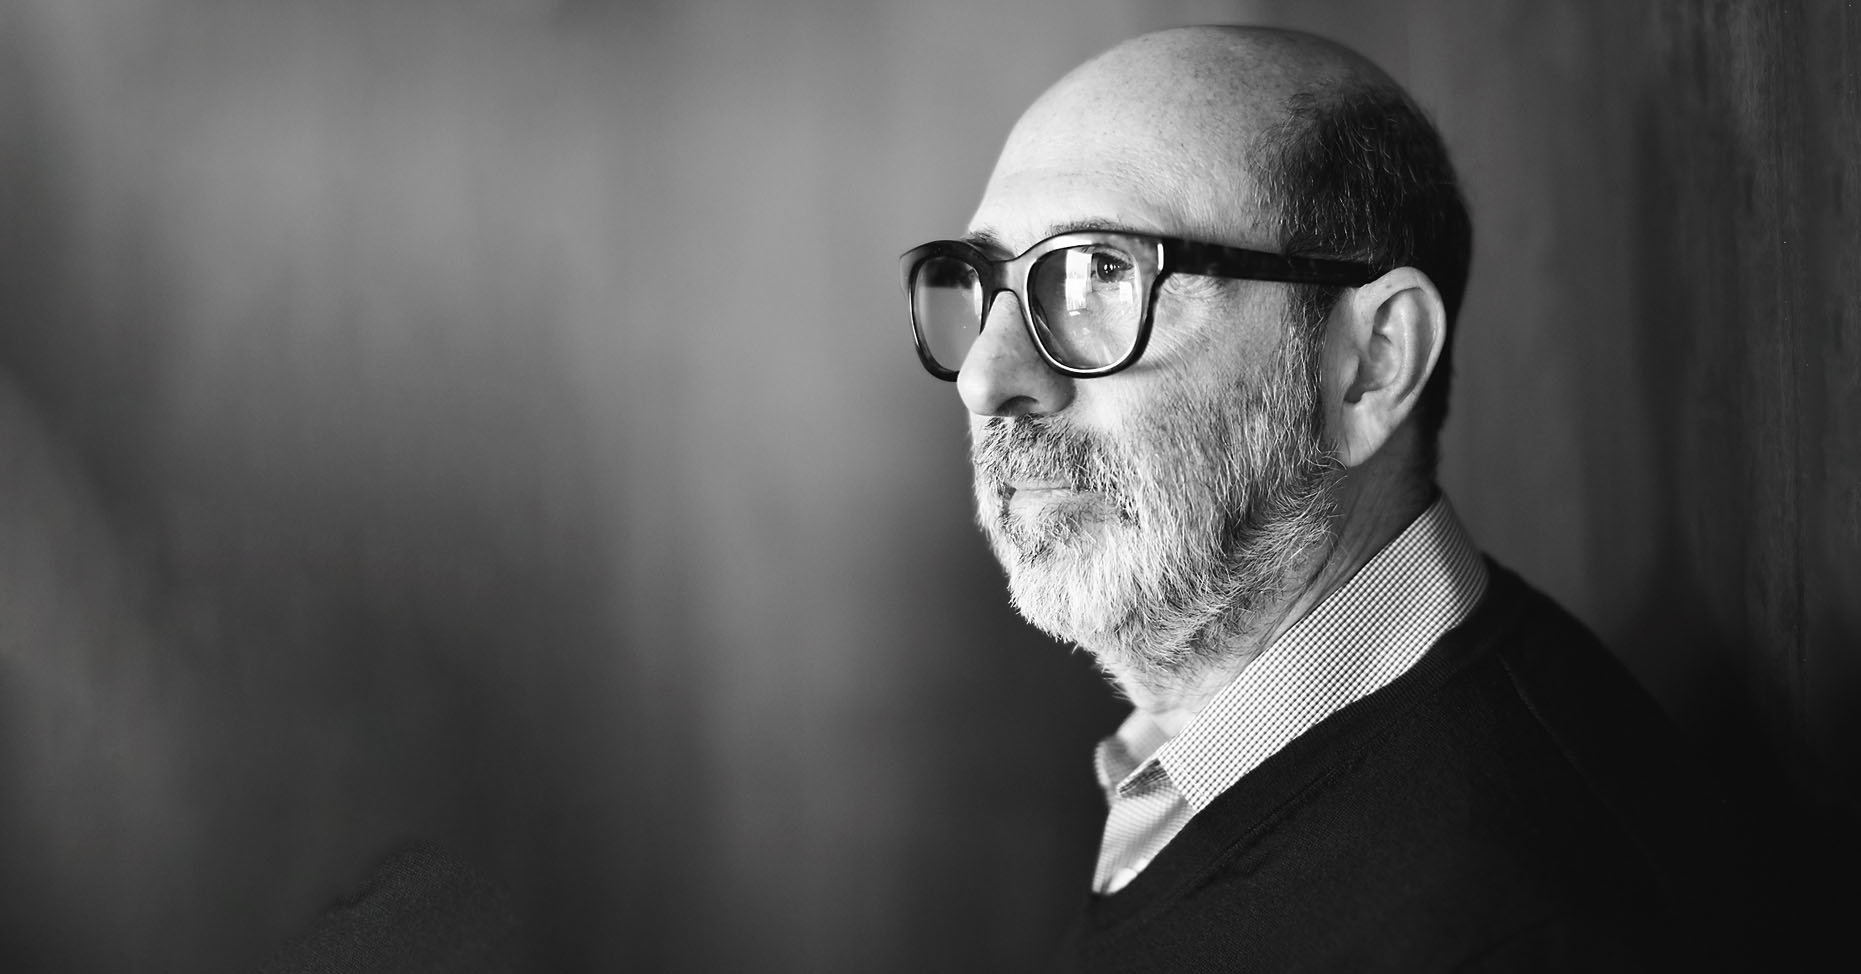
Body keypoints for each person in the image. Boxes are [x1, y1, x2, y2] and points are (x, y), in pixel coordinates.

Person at [898, 26, 1753, 971]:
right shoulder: (1199, 773)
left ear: (1371, 363)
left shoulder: (1510, 924)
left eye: (1102, 270)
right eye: (984, 282)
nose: (986, 378)